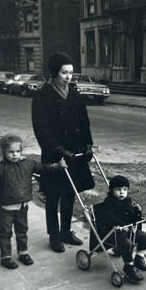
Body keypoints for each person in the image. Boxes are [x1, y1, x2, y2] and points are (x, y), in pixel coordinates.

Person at [32, 53, 95, 253]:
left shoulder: (74, 93)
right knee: (53, 196)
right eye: (64, 73)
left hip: (74, 153)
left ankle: (66, 230)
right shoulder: (43, 97)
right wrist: (60, 151)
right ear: (54, 72)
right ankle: (54, 235)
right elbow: (42, 131)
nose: (68, 77)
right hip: (55, 155)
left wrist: (87, 145)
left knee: (70, 193)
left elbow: (84, 123)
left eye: (70, 73)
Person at [0, 134, 67, 269]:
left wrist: (58, 165)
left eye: (18, 151)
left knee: (22, 231)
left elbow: (42, 168)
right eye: (11, 152)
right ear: (3, 151)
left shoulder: (27, 164)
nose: (15, 155)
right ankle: (6, 257)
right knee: (5, 233)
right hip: (6, 208)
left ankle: (23, 253)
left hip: (23, 206)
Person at [94, 175, 146, 282]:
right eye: (118, 189)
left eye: (125, 189)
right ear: (112, 190)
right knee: (127, 244)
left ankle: (139, 258)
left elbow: (132, 217)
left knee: (143, 236)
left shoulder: (127, 200)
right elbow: (109, 216)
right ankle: (128, 266)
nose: (122, 192)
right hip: (113, 232)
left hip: (127, 230)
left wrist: (138, 212)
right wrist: (119, 224)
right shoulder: (109, 202)